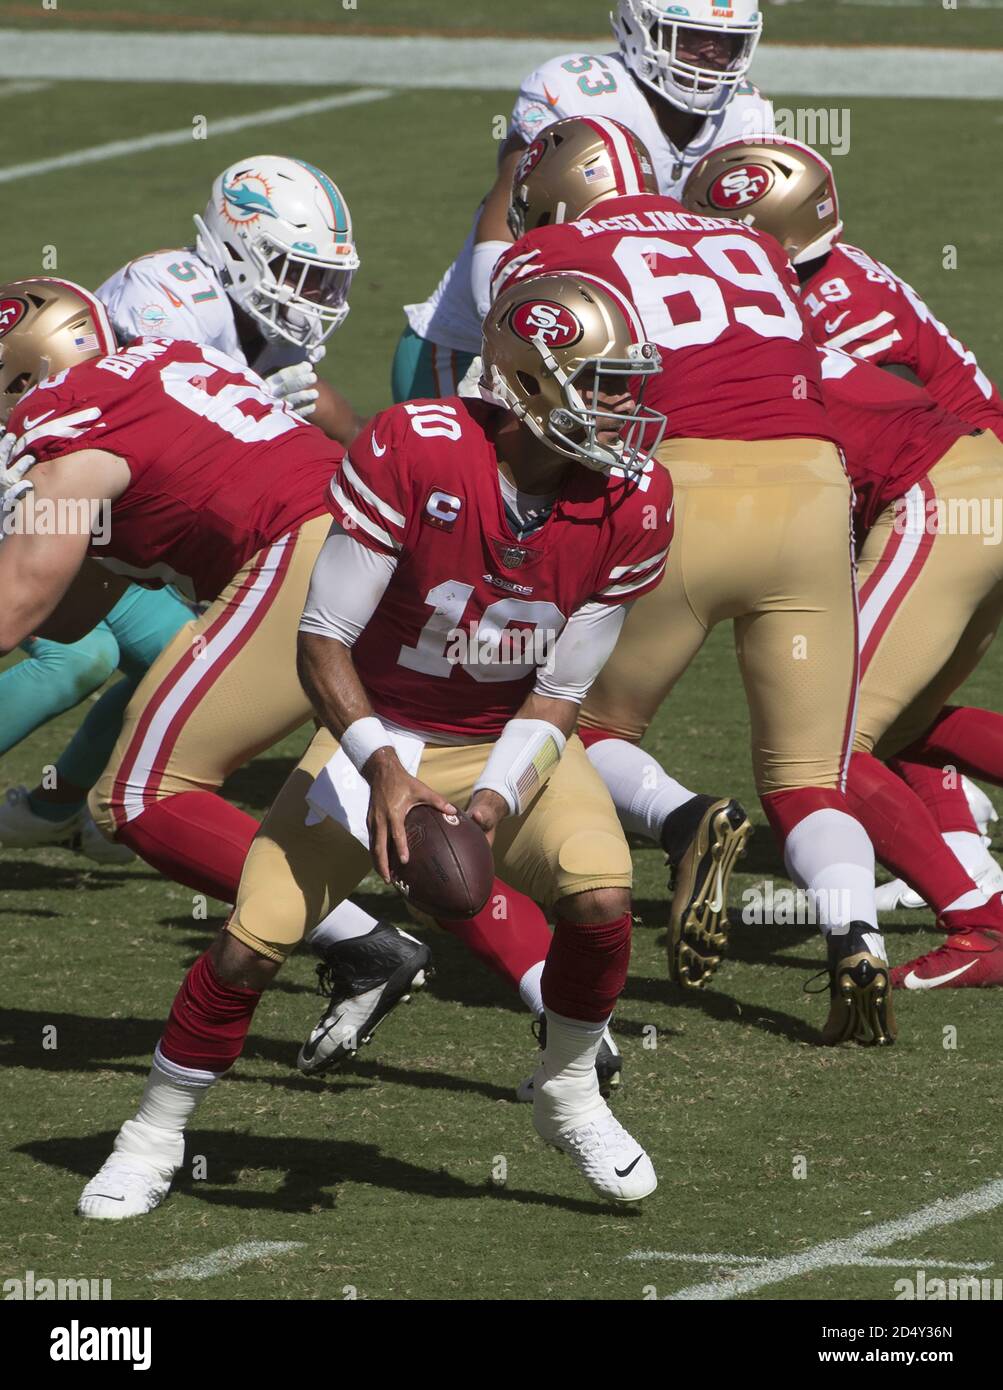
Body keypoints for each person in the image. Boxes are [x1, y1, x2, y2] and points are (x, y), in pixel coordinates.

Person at [76, 271, 675, 1218]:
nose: (621, 407)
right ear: (526, 384)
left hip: (500, 736)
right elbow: (323, 641)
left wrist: (492, 802)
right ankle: (151, 1134)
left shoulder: (635, 503)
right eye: (597, 383)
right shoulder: (420, 448)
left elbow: (561, 691)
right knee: (251, 946)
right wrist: (385, 773)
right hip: (380, 731)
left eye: (623, 382)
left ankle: (565, 1089)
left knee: (602, 897)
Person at [490, 117, 892, 1042]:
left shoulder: (557, 248)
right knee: (807, 777)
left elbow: (536, 391)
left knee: (578, 726)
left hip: (683, 489)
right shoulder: (743, 238)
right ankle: (855, 935)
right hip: (811, 493)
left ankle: (680, 819)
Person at [392, 0, 772, 401]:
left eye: (727, 41)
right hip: (474, 345)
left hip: (621, 353)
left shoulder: (746, 115)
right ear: (640, 27)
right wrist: (504, 327)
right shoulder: (581, 92)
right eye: (694, 37)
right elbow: (507, 216)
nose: (711, 52)